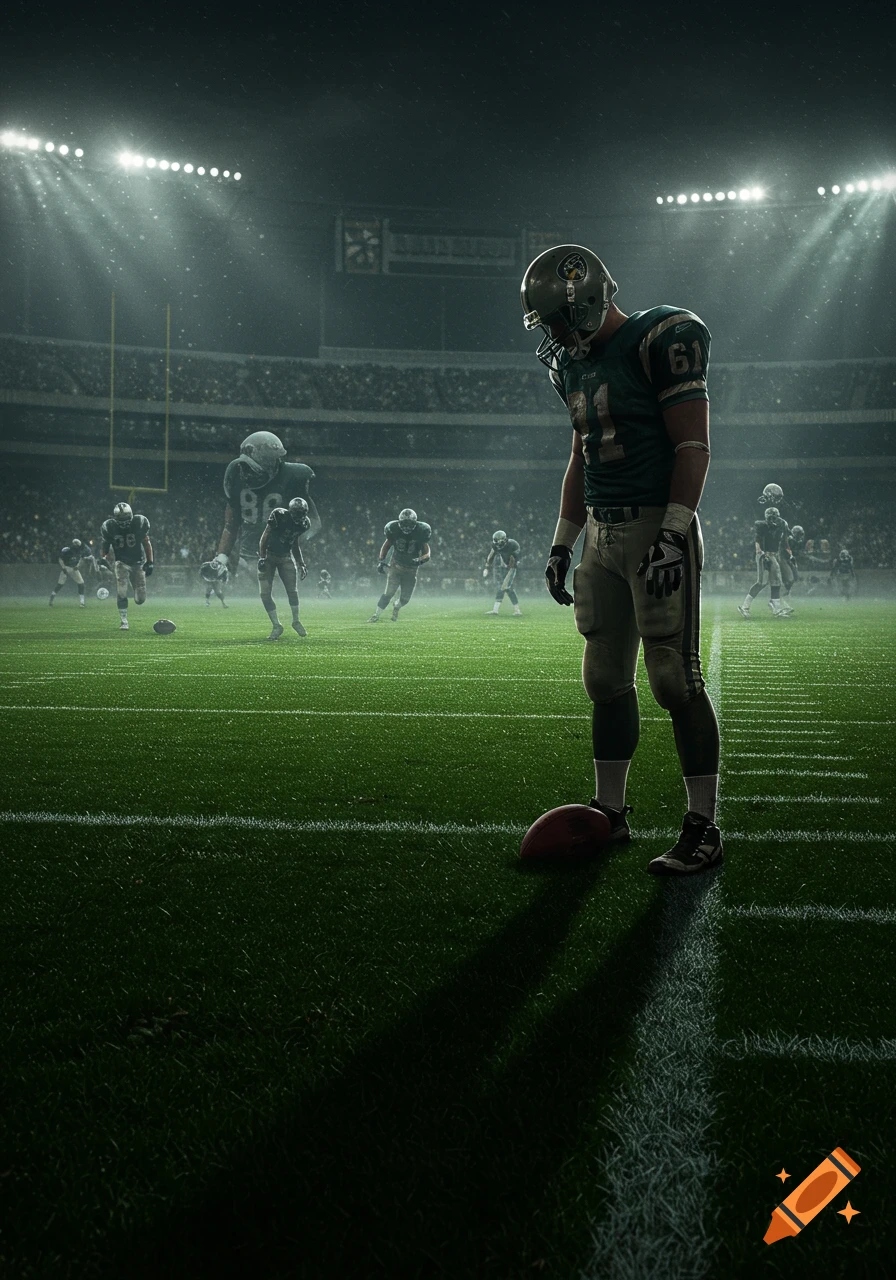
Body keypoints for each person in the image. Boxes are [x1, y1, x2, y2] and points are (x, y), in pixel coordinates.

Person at [521, 242, 721, 874]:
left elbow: (693, 444)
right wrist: (562, 539)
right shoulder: (571, 366)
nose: (552, 334)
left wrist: (674, 532)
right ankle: (611, 813)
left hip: (655, 529)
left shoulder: (658, 337)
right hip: (602, 538)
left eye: (556, 319)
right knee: (605, 680)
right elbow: (581, 456)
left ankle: (704, 827)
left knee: (673, 678)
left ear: (583, 303)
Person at [207, 431, 319, 582]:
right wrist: (220, 559)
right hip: (246, 557)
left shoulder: (292, 477)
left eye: (251, 468)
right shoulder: (236, 477)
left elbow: (314, 521)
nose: (246, 474)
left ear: (272, 464)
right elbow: (231, 525)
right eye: (245, 467)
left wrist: (293, 539)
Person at [256, 497, 310, 640]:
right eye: (296, 514)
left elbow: (294, 542)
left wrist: (301, 563)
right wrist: (262, 557)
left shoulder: (304, 524)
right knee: (265, 593)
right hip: (269, 555)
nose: (299, 517)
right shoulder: (279, 515)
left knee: (292, 591)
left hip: (285, 556)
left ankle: (296, 621)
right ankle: (276, 625)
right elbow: (265, 536)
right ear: (291, 512)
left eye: (301, 514)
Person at [367, 508, 432, 622]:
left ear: (415, 523)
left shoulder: (420, 531)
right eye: (404, 524)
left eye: (409, 524)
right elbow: (386, 546)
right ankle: (376, 615)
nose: (406, 527)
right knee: (388, 593)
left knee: (405, 599)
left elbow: (427, 553)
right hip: (396, 566)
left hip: (411, 570)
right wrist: (381, 560)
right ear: (399, 522)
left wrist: (421, 559)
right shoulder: (394, 529)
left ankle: (397, 606)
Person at [100, 502, 153, 631]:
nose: (124, 522)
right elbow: (105, 546)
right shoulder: (109, 527)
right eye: (121, 519)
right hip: (121, 562)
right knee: (122, 590)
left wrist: (150, 561)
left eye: (126, 517)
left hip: (138, 562)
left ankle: (134, 591)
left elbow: (147, 544)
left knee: (140, 599)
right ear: (115, 518)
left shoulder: (139, 523)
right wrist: (103, 558)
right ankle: (124, 621)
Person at [738, 507, 790, 618]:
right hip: (764, 554)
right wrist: (760, 553)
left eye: (774, 517)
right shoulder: (761, 526)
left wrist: (787, 554)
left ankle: (776, 608)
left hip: (774, 555)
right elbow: (757, 540)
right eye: (770, 517)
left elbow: (785, 540)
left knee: (776, 582)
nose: (773, 519)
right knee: (761, 582)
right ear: (766, 518)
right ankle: (745, 607)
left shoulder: (782, 525)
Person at [483, 530, 522, 616]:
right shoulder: (495, 545)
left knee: (504, 587)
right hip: (503, 566)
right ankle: (515, 610)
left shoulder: (513, 545)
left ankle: (498, 610)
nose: (498, 545)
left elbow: (514, 560)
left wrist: (509, 568)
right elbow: (491, 556)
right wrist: (486, 567)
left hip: (512, 567)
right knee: (507, 588)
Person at [49, 539, 89, 607]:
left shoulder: (79, 551)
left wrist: (77, 566)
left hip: (73, 568)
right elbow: (60, 559)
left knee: (81, 583)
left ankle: (82, 602)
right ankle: (52, 597)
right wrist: (63, 567)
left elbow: (81, 559)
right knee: (60, 584)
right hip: (67, 567)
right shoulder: (67, 550)